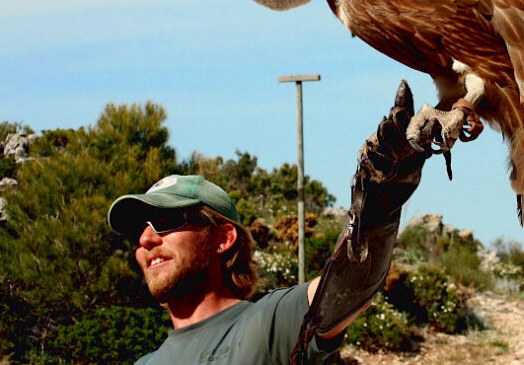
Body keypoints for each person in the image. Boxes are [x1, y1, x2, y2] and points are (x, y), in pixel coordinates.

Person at [107, 81, 432, 364]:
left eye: (165, 221)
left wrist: (381, 202)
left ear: (222, 238)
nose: (146, 240)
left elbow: (349, 287)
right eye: (140, 229)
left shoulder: (269, 323)